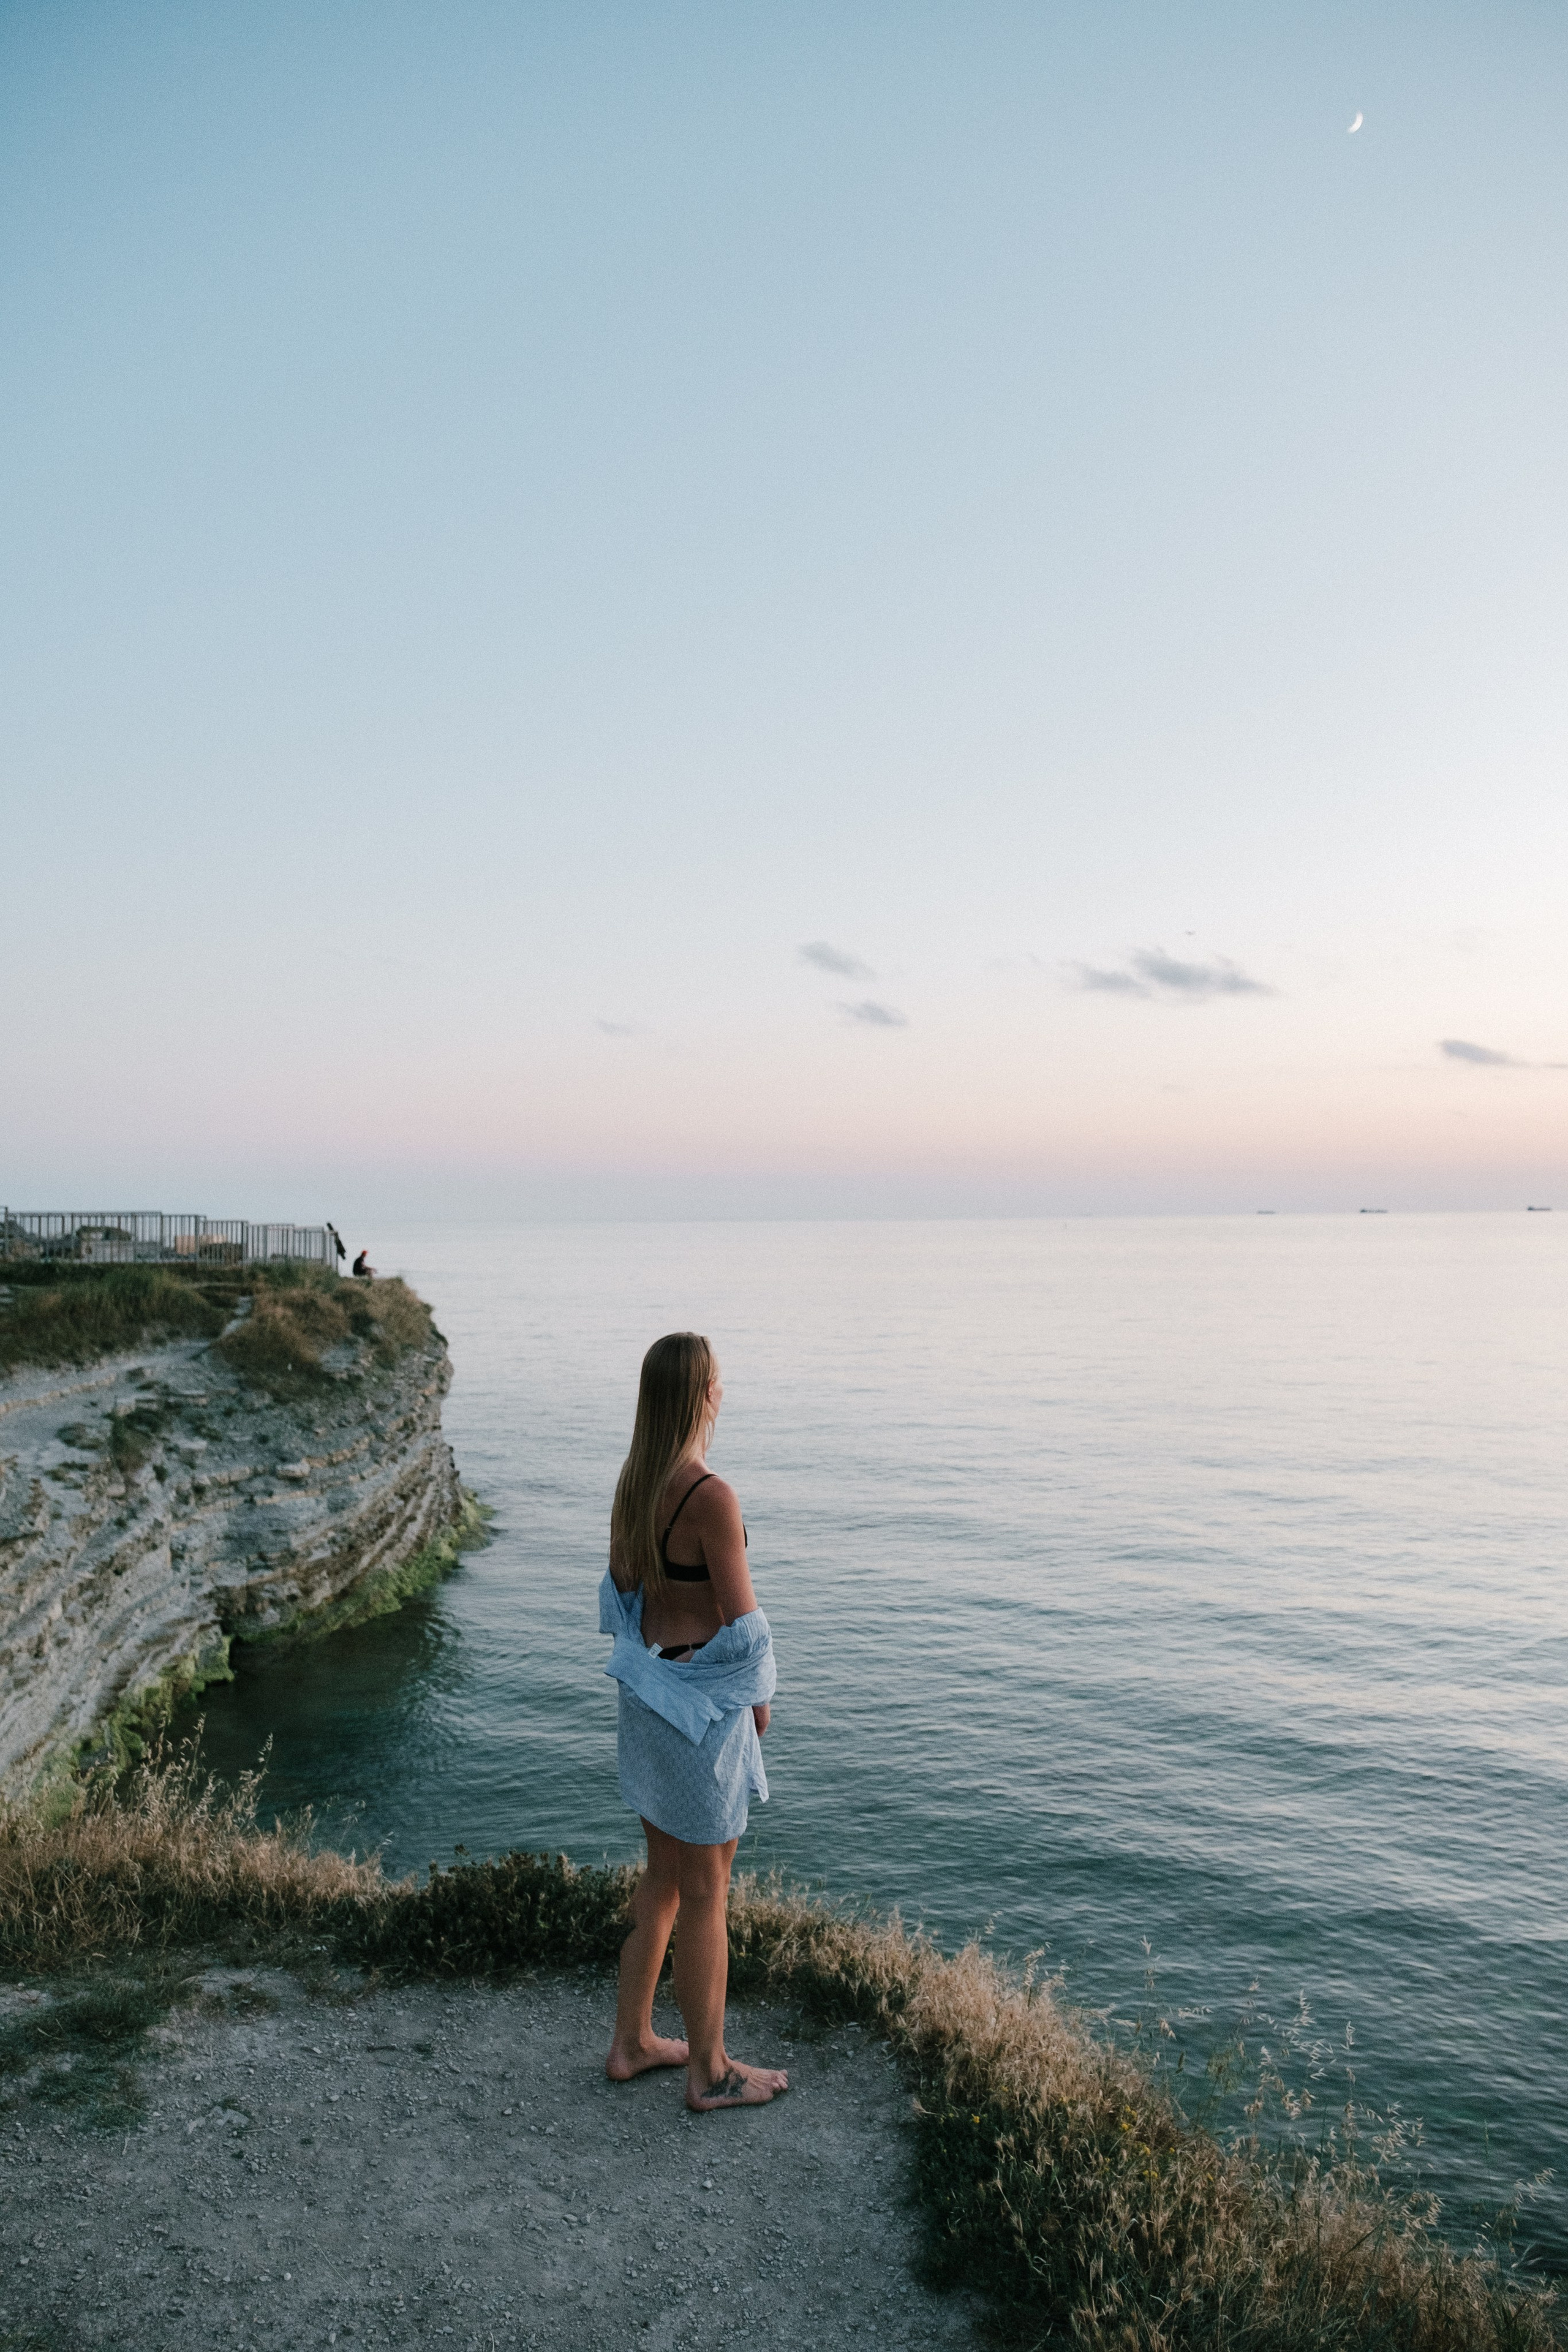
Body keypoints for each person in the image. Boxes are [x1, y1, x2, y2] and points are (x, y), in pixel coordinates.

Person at [600, 1332, 787, 2113]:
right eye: (717, 1380)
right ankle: (709, 2072)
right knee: (709, 1890)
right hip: (701, 1710)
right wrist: (759, 1704)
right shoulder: (710, 1496)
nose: (724, 1390)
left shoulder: (634, 1484)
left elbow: (621, 1606)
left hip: (648, 1696)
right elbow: (744, 1631)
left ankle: (633, 2040)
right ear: (699, 1394)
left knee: (666, 1879)